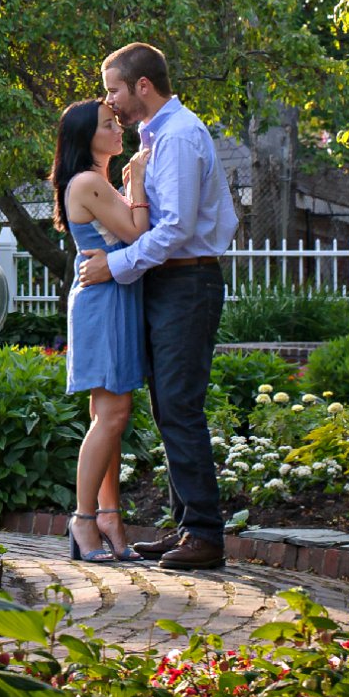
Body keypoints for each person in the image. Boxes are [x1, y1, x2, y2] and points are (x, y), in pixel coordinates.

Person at [76, 42, 240, 571]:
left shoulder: (180, 135)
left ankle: (205, 536)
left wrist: (115, 267)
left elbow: (176, 229)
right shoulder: (155, 139)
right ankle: (186, 528)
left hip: (187, 284)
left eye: (114, 90)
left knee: (179, 405)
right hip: (164, 283)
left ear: (142, 86)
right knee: (168, 407)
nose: (111, 100)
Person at [54, 98, 152, 562]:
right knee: (112, 415)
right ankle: (83, 518)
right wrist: (137, 185)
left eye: (116, 122)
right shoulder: (90, 182)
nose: (119, 130)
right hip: (102, 301)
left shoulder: (97, 180)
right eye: (108, 125)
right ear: (85, 138)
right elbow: (137, 234)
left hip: (113, 296)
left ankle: (110, 515)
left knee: (110, 417)